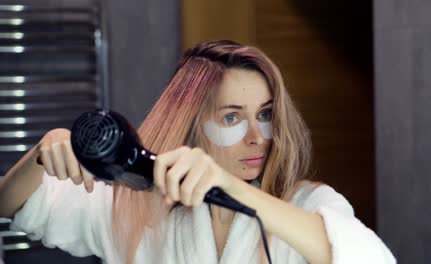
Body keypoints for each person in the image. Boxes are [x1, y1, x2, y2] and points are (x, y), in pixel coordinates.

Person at [0, 40, 396, 264]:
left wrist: (230, 186)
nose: (257, 136)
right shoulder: (136, 215)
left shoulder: (309, 206)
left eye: (265, 114)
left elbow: (369, 259)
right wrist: (44, 147)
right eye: (231, 119)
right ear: (192, 127)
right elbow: (10, 203)